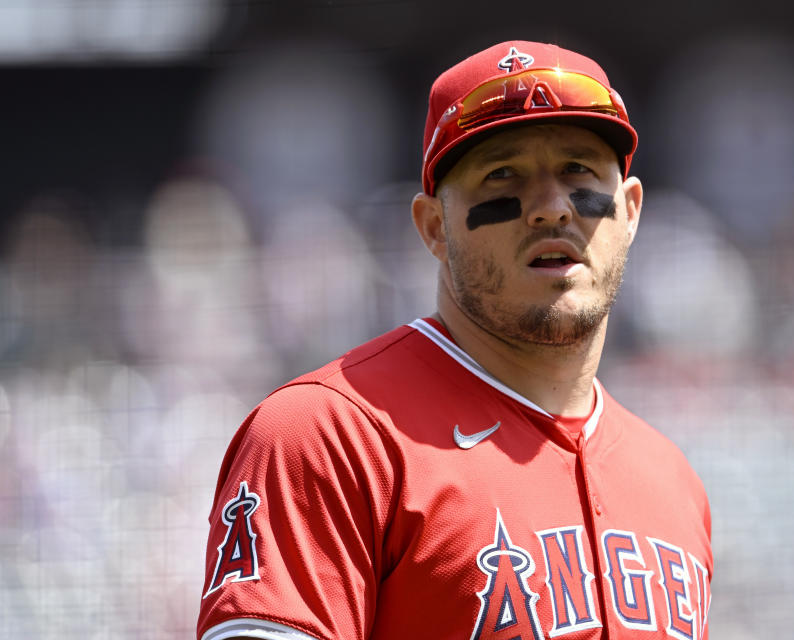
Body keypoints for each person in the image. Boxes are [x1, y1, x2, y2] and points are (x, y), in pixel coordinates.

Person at [197, 40, 712, 640]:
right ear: (435, 227)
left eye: (578, 170)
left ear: (630, 211)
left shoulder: (674, 481)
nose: (550, 208)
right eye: (504, 175)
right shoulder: (328, 435)